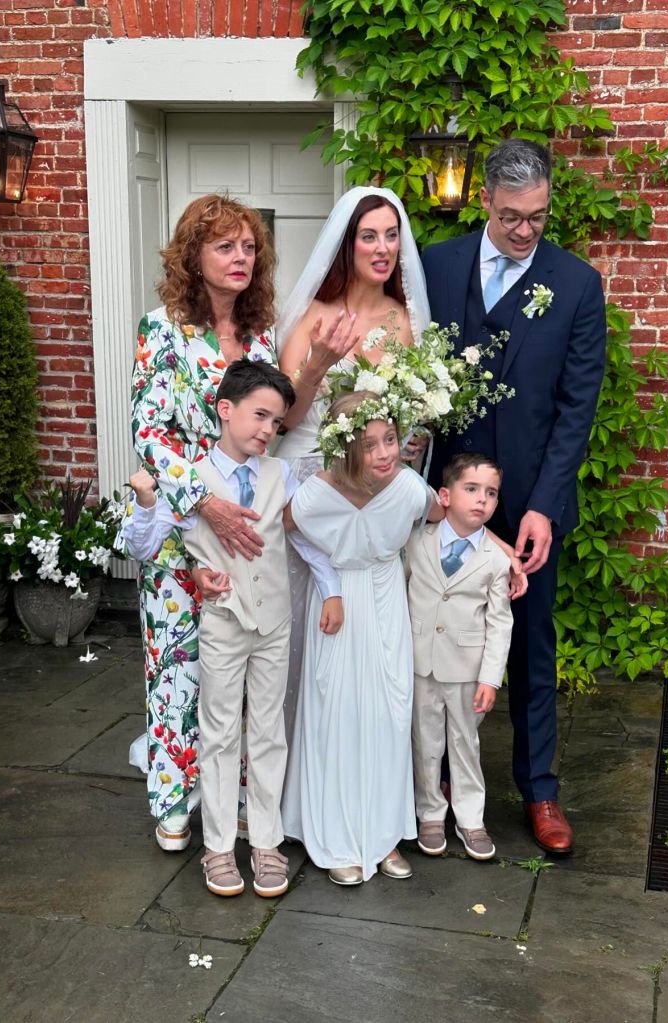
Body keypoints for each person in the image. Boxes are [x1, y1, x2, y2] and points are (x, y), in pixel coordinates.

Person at [421, 139, 607, 855]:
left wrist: (543, 504)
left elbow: (575, 405)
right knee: (434, 638)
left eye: (536, 216)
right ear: (484, 202)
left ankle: (539, 790)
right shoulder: (436, 267)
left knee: (530, 644)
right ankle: (429, 783)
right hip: (443, 496)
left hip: (529, 499)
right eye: (511, 217)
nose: (526, 230)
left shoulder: (576, 284)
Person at [121, 361, 343, 899]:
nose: (268, 430)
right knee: (219, 733)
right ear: (225, 409)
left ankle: (265, 841)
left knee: (269, 730)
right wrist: (149, 503)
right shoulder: (192, 480)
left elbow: (301, 535)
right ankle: (218, 848)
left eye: (276, 421)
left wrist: (331, 585)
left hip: (274, 623)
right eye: (260, 415)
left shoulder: (280, 475)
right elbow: (144, 547)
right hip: (222, 622)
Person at [127, 195, 277, 852]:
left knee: (239, 669)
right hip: (179, 532)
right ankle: (172, 798)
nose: (239, 257)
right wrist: (200, 496)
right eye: (224, 246)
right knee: (176, 666)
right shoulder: (161, 330)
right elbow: (149, 433)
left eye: (247, 246)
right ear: (193, 256)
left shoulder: (262, 337)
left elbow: (273, 425)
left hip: (241, 532)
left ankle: (234, 794)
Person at [273, 186, 432, 737]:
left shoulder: (404, 322)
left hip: (373, 492)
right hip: (309, 479)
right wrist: (319, 361)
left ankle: (346, 755)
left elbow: (410, 414)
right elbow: (285, 420)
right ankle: (283, 763)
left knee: (360, 632)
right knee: (300, 623)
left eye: (392, 235)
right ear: (348, 244)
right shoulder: (311, 315)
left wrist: (413, 442)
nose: (383, 247)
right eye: (370, 235)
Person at [281, 391, 444, 885]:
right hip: (339, 604)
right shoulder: (316, 493)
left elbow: (445, 514)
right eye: (370, 444)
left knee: (388, 713)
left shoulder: (411, 489)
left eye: (390, 439)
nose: (384, 453)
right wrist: (328, 584)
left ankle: (386, 834)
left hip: (387, 598)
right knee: (337, 711)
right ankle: (335, 838)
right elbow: (289, 527)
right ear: (346, 449)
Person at [405, 453, 515, 862]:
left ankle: (471, 819)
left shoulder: (495, 559)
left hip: (467, 670)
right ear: (446, 496)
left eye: (491, 494)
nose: (482, 500)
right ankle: (430, 813)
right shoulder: (417, 541)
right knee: (425, 742)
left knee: (465, 745)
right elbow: (400, 592)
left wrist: (490, 678)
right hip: (419, 662)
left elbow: (500, 623)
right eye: (472, 489)